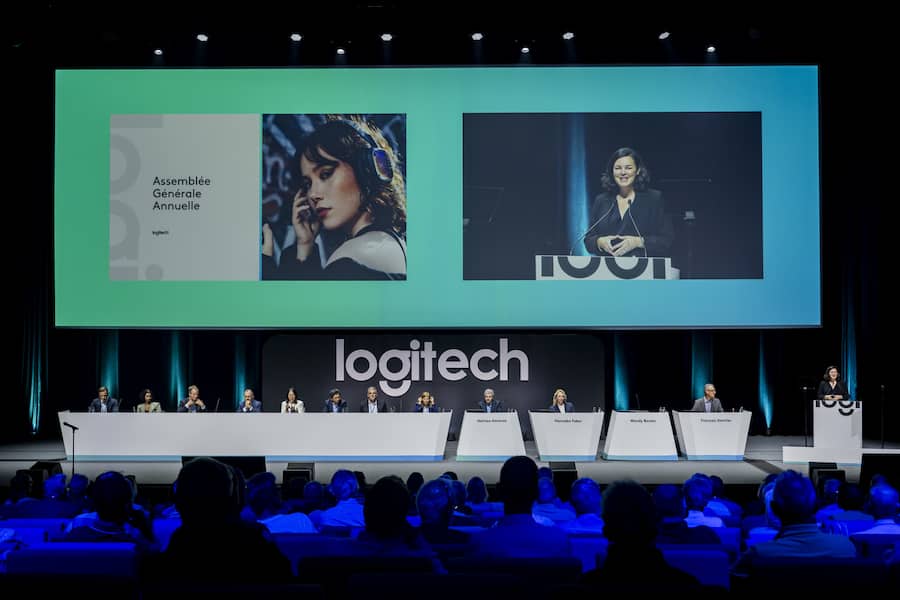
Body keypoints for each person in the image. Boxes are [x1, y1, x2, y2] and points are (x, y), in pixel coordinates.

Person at [261, 115, 407, 280]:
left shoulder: (350, 260)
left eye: (325, 174)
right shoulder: (395, 244)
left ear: (365, 170)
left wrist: (267, 272)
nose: (313, 195)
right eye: (308, 184)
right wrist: (304, 246)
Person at [583, 147, 674, 258]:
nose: (623, 172)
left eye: (628, 168)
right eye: (617, 168)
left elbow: (666, 240)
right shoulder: (601, 200)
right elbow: (588, 240)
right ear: (612, 171)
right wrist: (599, 242)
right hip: (607, 269)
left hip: (642, 269)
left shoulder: (654, 199)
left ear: (638, 170)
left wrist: (638, 242)